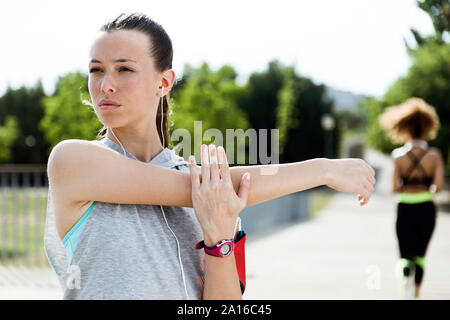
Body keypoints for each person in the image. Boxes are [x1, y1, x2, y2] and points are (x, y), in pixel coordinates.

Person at [44, 12, 376, 300]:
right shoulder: (72, 162)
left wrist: (219, 241)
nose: (105, 85)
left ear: (164, 82)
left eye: (124, 69)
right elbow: (205, 188)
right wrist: (322, 170)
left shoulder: (214, 196)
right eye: (96, 70)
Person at [379, 97, 445, 299]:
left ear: (403, 126)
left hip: (405, 208)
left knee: (405, 256)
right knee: (421, 256)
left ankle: (404, 284)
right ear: (428, 126)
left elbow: (394, 188)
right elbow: (439, 187)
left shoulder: (398, 156)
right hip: (426, 208)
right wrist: (425, 187)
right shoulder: (434, 156)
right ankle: (416, 294)